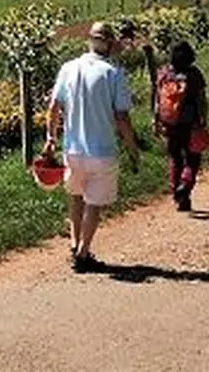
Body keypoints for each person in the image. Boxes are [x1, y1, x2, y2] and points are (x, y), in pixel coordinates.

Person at [46, 22, 142, 273]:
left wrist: (50, 138)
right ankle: (83, 252)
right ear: (110, 44)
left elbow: (54, 107)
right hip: (101, 149)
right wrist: (132, 147)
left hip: (72, 148)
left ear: (88, 41)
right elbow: (121, 117)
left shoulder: (68, 68)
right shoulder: (113, 73)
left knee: (75, 196)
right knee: (94, 203)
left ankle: (74, 242)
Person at [154, 40, 209, 212]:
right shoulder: (194, 74)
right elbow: (201, 99)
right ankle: (185, 186)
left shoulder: (164, 73)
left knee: (175, 157)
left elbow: (156, 98)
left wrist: (156, 119)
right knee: (193, 157)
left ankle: (176, 190)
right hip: (190, 123)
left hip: (169, 123)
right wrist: (202, 120)